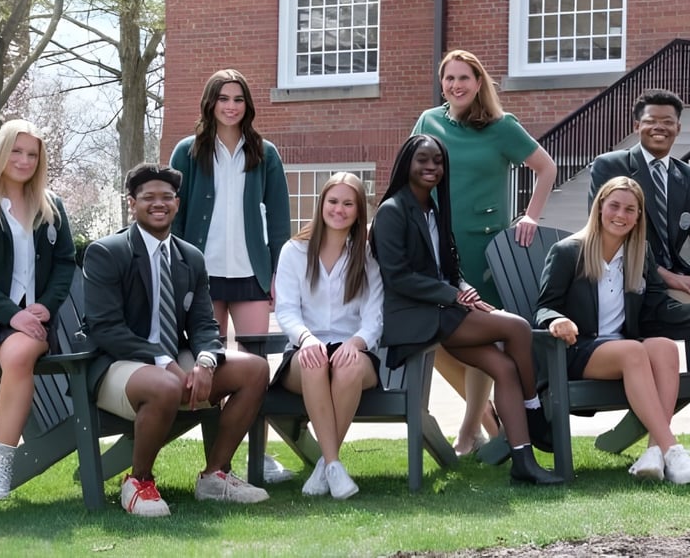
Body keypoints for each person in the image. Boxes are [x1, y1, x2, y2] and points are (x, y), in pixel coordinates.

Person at [371, 134, 560, 485]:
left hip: (441, 310)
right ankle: (533, 408)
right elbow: (398, 278)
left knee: (503, 368)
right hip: (416, 317)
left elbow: (448, 265)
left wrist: (463, 286)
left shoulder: (432, 208)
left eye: (438, 161)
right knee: (517, 327)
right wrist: (451, 294)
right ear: (406, 164)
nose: (431, 167)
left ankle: (524, 463)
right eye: (423, 160)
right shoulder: (393, 211)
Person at [83, 164, 270, 516]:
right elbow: (106, 328)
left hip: (174, 359)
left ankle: (215, 475)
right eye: (148, 197)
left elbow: (203, 324)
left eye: (166, 197)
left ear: (177, 204)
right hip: (116, 364)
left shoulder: (191, 257)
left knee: (256, 369)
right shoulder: (107, 253)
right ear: (132, 203)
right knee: (166, 384)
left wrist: (205, 361)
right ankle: (138, 482)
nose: (159, 204)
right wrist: (161, 359)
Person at [535, 176, 690, 484]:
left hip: (625, 349)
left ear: (639, 216)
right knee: (634, 350)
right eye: (614, 206)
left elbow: (658, 306)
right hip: (575, 351)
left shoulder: (640, 255)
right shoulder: (568, 252)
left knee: (664, 347)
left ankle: (653, 453)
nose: (620, 215)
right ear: (600, 208)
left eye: (630, 209)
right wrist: (555, 320)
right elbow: (545, 306)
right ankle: (673, 451)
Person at [412, 49, 557, 455]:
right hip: (435, 242)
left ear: (479, 83)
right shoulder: (429, 121)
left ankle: (469, 429)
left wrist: (530, 217)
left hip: (482, 246)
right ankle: (484, 424)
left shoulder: (500, 127)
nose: (455, 85)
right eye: (449, 78)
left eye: (464, 78)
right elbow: (409, 175)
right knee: (434, 332)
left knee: (482, 337)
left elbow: (546, 169)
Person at [589, 88, 690, 433]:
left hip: (686, 280)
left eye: (668, 122)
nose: (659, 127)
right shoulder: (611, 166)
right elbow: (609, 233)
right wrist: (667, 276)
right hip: (638, 281)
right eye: (651, 121)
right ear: (637, 125)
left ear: (678, 128)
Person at [170, 68, 292, 482]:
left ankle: (260, 456)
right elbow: (175, 217)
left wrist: (277, 272)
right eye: (223, 98)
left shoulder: (264, 153)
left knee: (256, 366)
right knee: (215, 367)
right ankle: (219, 462)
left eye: (238, 99)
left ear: (247, 105)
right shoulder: (187, 151)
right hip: (202, 276)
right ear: (210, 103)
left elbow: (278, 220)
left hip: (251, 274)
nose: (231, 106)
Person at [273, 172, 383, 499]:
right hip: (305, 352)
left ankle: (327, 466)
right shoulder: (294, 251)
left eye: (348, 203)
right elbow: (287, 310)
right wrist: (306, 339)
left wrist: (356, 343)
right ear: (321, 204)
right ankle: (333, 464)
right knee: (314, 361)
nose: (339, 209)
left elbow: (374, 316)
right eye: (333, 201)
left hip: (354, 352)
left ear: (359, 210)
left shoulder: (368, 256)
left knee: (346, 366)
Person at [0, 120, 76, 500]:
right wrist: (9, 312)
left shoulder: (50, 205)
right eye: (17, 151)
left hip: (31, 322)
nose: (24, 160)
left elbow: (65, 262)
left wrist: (44, 306)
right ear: (2, 153)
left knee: (19, 353)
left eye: (32, 154)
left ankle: (2, 463)